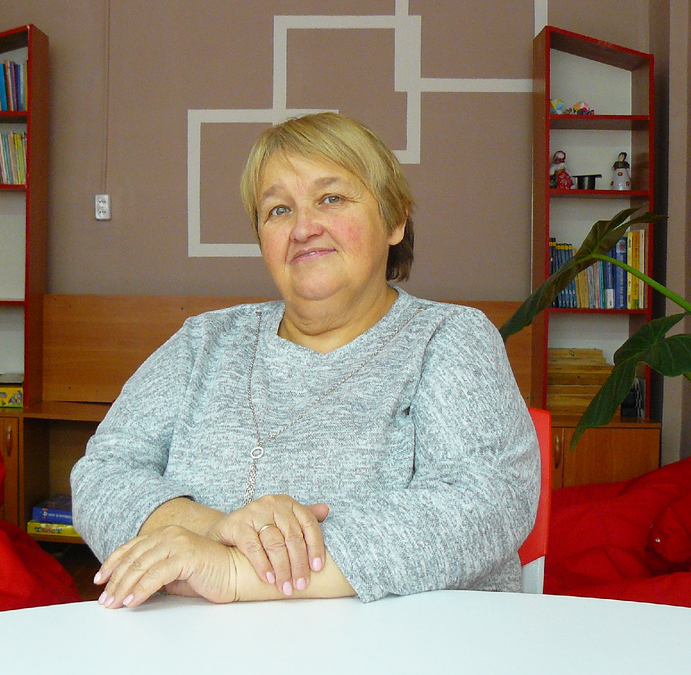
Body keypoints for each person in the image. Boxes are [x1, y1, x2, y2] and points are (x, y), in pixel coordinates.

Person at [71, 112, 539, 609]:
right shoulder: (203, 341)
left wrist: (237, 572)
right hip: (192, 642)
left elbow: (482, 504)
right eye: (278, 210)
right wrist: (215, 529)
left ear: (395, 220)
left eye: (331, 198)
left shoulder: (449, 338)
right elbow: (102, 473)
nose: (303, 228)